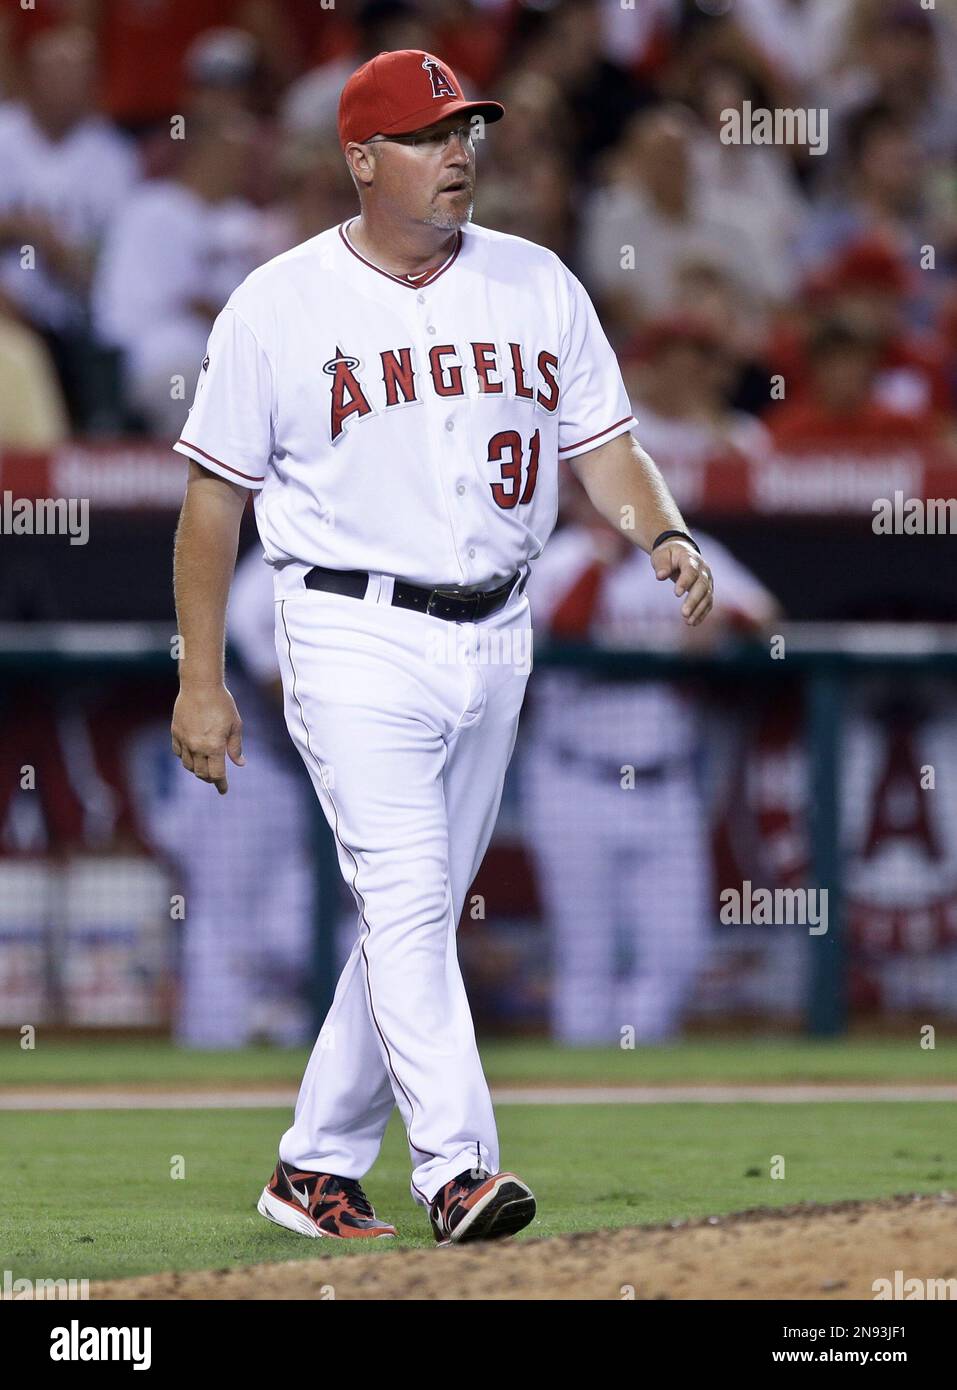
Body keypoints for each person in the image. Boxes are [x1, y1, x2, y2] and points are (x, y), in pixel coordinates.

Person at [169, 48, 714, 1246]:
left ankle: (312, 1168)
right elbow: (212, 504)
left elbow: (606, 446)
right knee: (413, 897)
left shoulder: (536, 282)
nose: (458, 150)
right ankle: (459, 1169)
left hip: (497, 632)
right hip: (348, 623)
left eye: (466, 128)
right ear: (360, 159)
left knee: (407, 917)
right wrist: (200, 676)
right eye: (426, 134)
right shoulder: (279, 301)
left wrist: (657, 530)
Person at [522, 482, 779, 1044]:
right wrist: (603, 558)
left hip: (666, 781)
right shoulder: (554, 559)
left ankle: (634, 1075)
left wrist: (720, 620)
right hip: (574, 778)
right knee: (585, 956)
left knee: (678, 952)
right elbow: (565, 630)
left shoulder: (689, 552)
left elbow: (766, 621)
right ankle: (587, 1099)